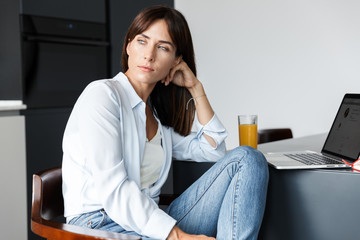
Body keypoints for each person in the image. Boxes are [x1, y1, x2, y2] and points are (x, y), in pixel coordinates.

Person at [62, 6, 269, 240]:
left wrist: (195, 88)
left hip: (150, 222)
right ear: (128, 46)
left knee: (248, 158)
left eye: (162, 47)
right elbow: (115, 190)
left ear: (175, 60)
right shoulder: (102, 95)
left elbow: (213, 150)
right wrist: (180, 237)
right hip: (101, 223)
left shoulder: (155, 119)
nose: (149, 55)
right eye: (142, 41)